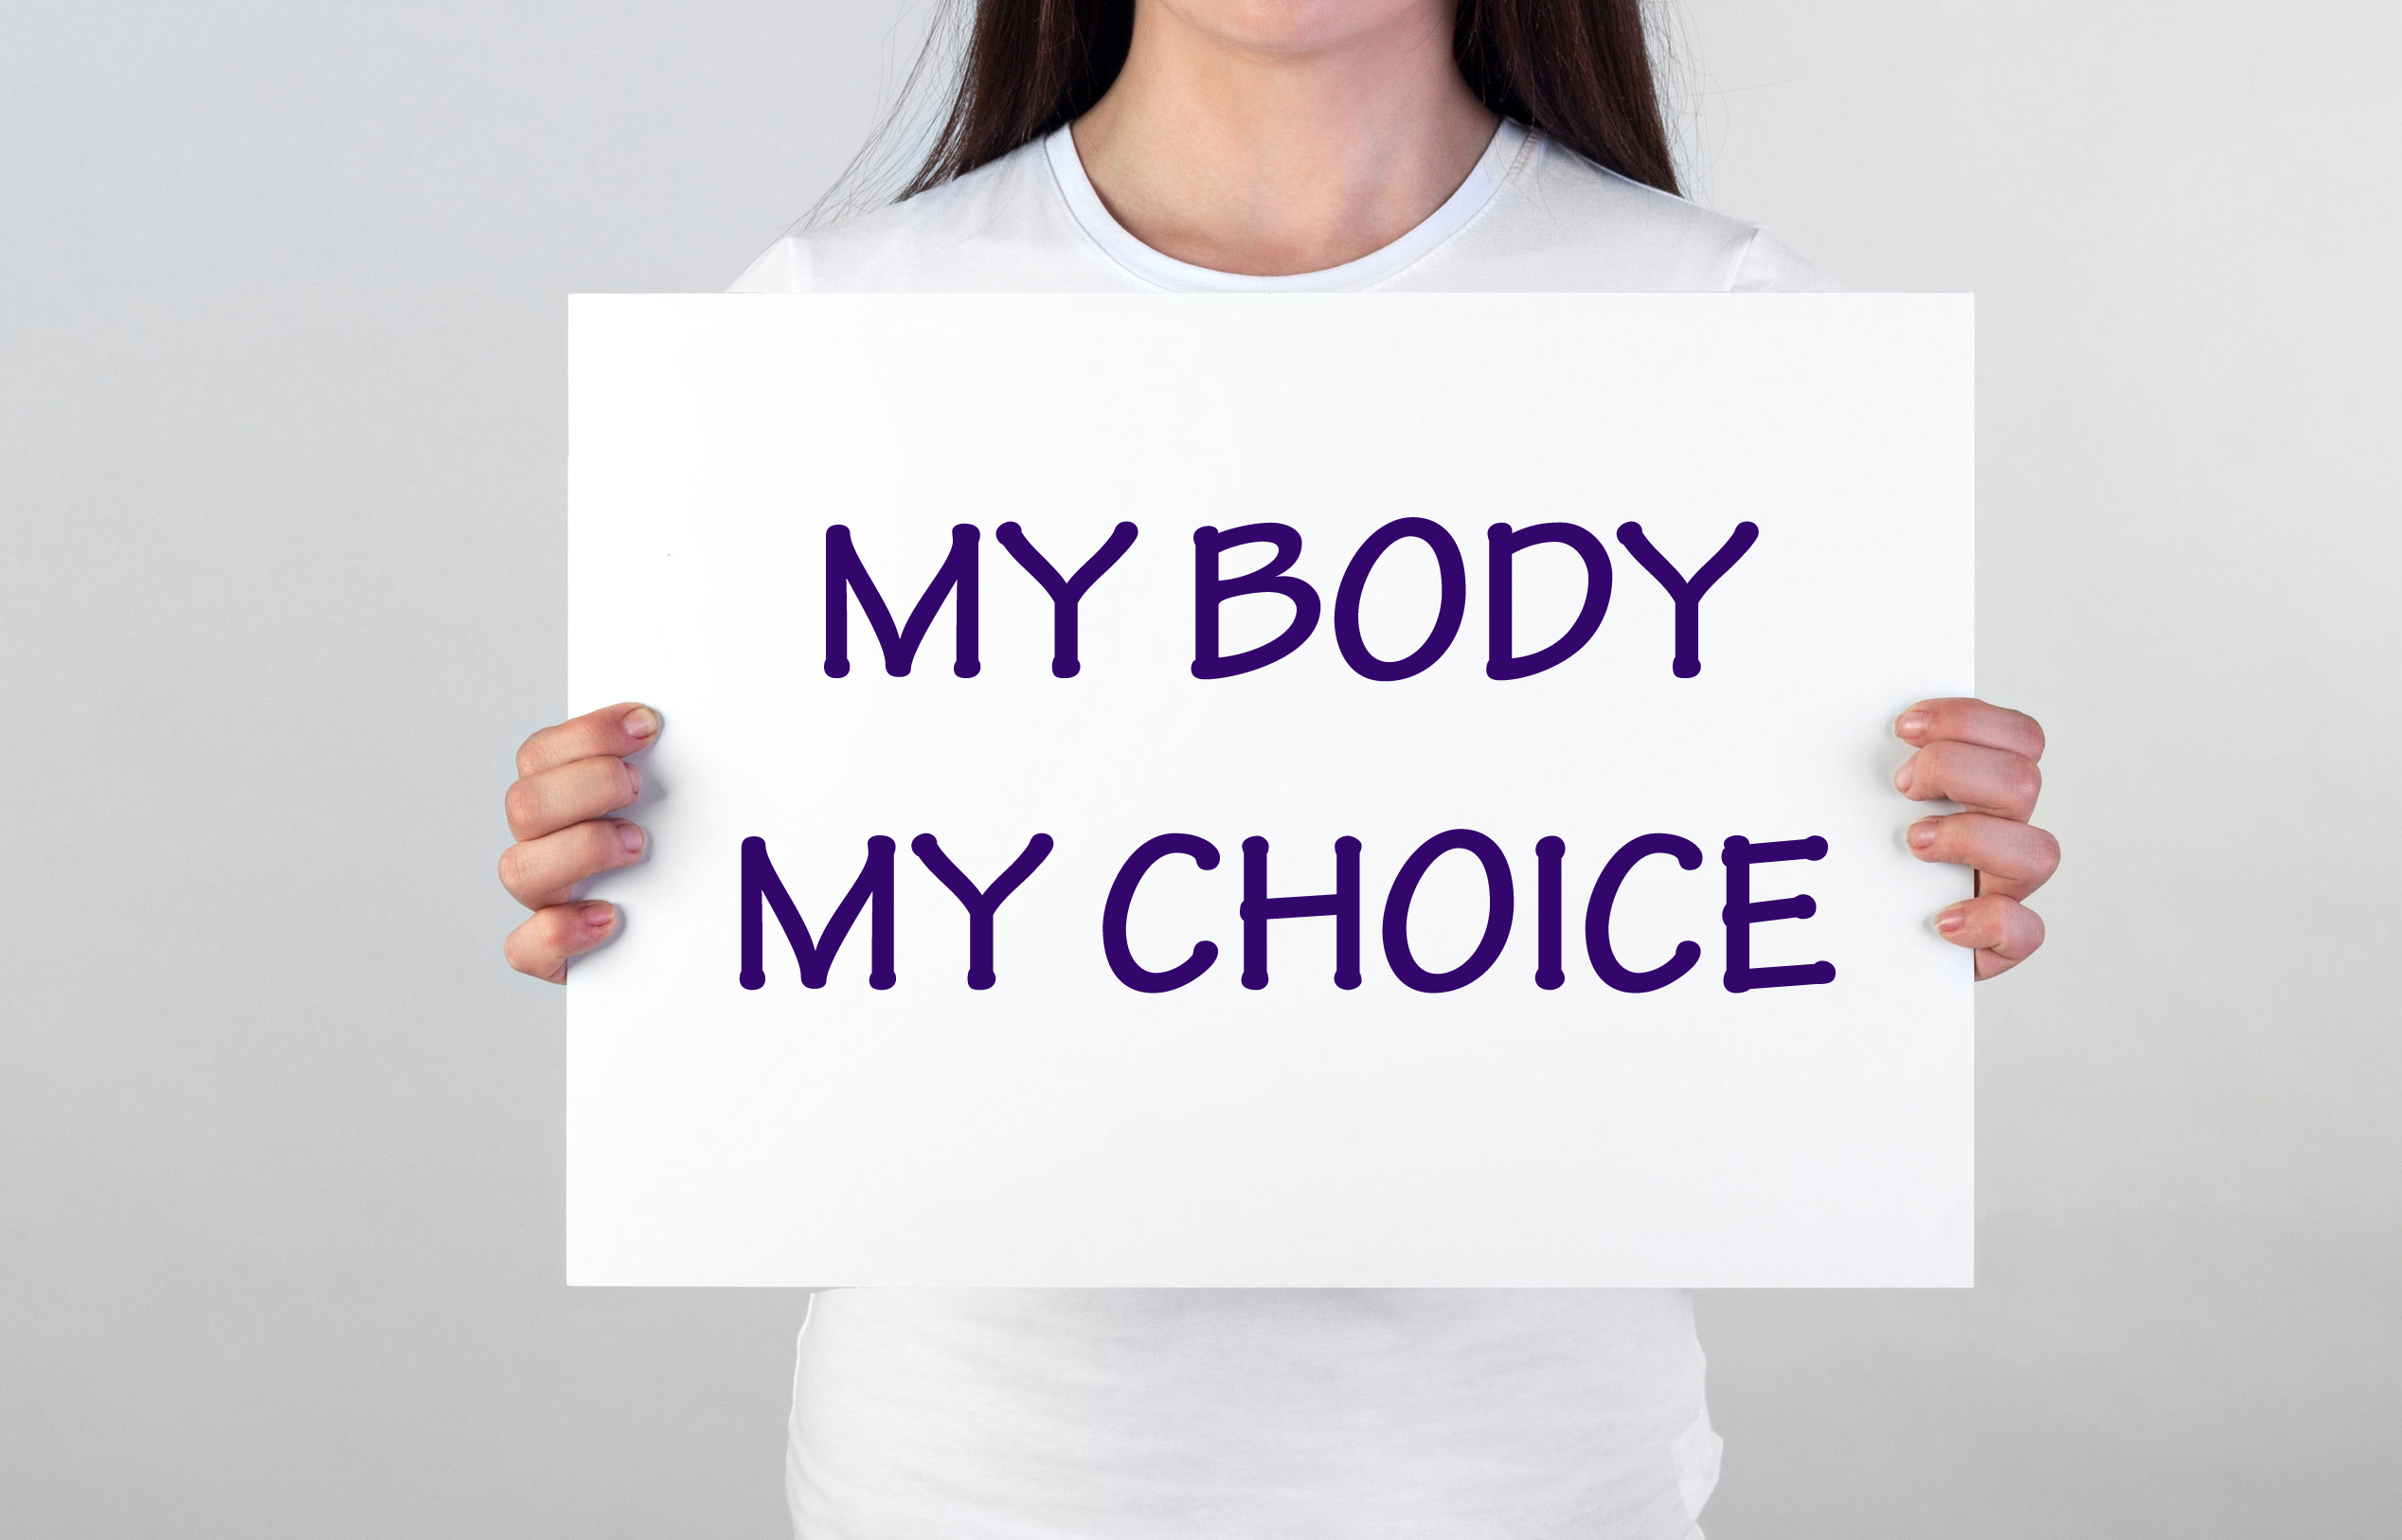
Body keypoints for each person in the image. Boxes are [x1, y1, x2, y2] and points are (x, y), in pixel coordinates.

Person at [497, 0, 2057, 1531]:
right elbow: (793, 935)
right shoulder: (831, 330)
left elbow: (1759, 941)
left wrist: (1905, 890)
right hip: (965, 1474)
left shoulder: (1734, 330)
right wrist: (638, 893)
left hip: (1531, 1475)